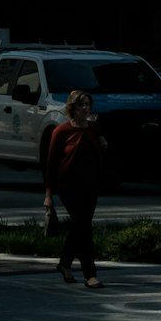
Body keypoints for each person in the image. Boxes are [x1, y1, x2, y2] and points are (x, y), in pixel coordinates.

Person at [44, 88, 108, 289]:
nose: (85, 108)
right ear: (72, 108)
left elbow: (100, 149)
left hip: (90, 185)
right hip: (68, 187)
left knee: (81, 226)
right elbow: (51, 163)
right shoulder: (61, 131)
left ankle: (64, 264)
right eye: (81, 105)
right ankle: (90, 275)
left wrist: (103, 144)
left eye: (88, 105)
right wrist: (48, 195)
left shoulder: (94, 128)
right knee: (84, 227)